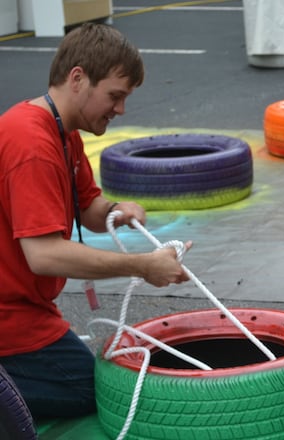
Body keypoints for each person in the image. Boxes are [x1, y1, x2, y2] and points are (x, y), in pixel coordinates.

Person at [0, 23, 191, 418]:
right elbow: (44, 256)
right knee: (101, 393)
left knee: (99, 384)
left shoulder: (62, 131)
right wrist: (142, 266)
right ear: (77, 79)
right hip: (10, 319)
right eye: (115, 96)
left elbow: (87, 205)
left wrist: (115, 210)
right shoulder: (31, 143)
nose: (120, 110)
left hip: (27, 309)